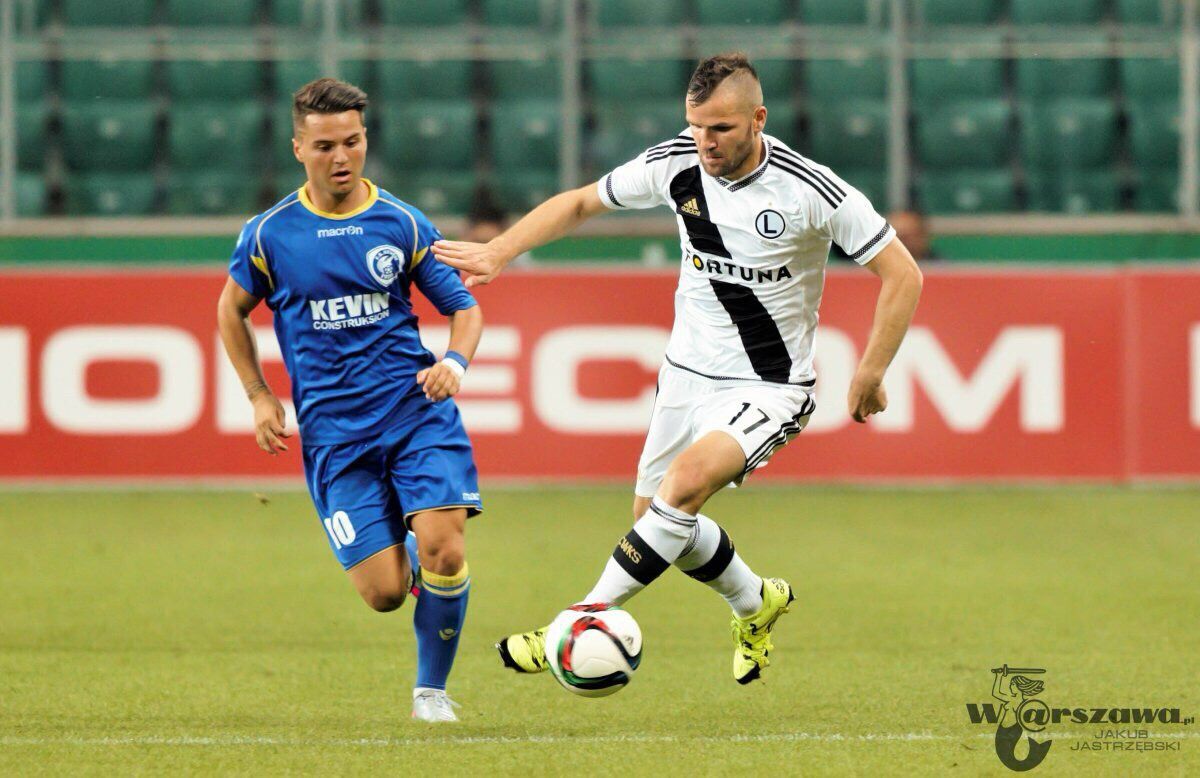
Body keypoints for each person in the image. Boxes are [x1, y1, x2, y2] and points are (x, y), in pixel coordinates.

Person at [432, 53, 922, 685]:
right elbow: (581, 203)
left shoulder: (811, 190)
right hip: (684, 375)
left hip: (768, 386)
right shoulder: (675, 164)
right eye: (695, 126)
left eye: (720, 128)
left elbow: (902, 273)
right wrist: (501, 250)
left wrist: (871, 371)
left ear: (758, 119)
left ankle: (575, 620)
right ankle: (756, 601)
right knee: (656, 523)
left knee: (683, 486)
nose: (704, 141)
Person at [216, 78, 483, 722]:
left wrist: (453, 362)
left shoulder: (401, 222)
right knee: (385, 593)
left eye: (353, 142)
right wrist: (258, 394)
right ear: (298, 149)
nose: (342, 157)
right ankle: (411, 560)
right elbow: (230, 310)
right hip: (336, 437)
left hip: (416, 414)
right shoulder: (269, 234)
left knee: (446, 546)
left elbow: (464, 308)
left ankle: (430, 693)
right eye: (325, 146)